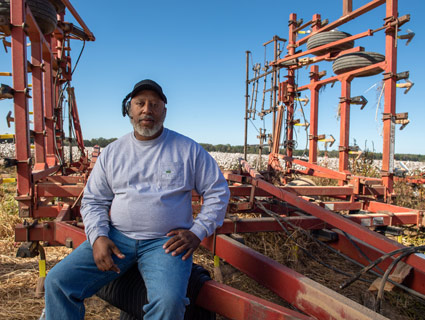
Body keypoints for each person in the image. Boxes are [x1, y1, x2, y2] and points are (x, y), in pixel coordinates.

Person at [44, 79, 230, 320]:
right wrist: (98, 237)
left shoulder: (188, 150)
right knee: (58, 282)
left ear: (164, 111)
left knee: (169, 303)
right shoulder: (113, 152)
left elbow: (218, 192)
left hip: (165, 244)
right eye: (140, 103)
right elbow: (94, 201)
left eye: (154, 104)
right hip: (116, 237)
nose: (147, 110)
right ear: (128, 110)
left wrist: (197, 231)